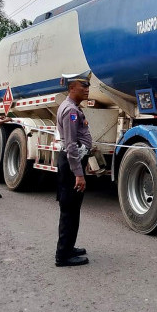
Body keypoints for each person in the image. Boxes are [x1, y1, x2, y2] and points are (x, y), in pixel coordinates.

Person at [55, 71, 94, 267]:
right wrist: (78, 174)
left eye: (88, 86)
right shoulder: (70, 111)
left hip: (73, 162)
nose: (87, 89)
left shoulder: (72, 107)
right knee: (69, 210)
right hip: (71, 166)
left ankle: (68, 247)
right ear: (72, 88)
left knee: (72, 208)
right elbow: (71, 145)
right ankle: (63, 256)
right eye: (83, 86)